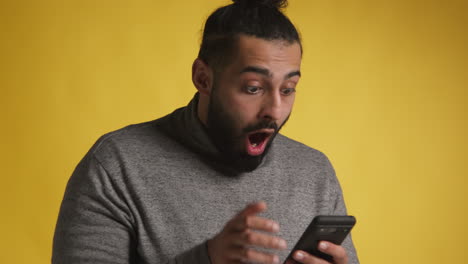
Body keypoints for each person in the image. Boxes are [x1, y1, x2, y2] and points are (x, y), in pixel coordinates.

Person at [52, 0, 359, 263]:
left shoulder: (314, 172)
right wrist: (206, 259)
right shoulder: (116, 165)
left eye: (289, 89)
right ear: (203, 78)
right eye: (253, 88)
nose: (275, 110)